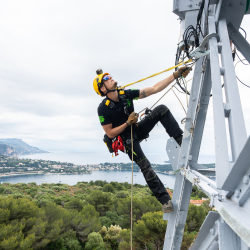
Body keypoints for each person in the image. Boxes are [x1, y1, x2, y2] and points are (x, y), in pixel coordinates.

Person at [93, 66, 191, 213]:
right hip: (127, 140)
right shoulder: (103, 109)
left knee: (161, 109)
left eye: (110, 76)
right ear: (102, 89)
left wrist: (176, 75)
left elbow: (154, 89)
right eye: (106, 78)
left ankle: (181, 142)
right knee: (145, 165)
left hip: (137, 129)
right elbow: (110, 133)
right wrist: (127, 122)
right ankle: (165, 200)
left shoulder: (125, 94)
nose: (110, 77)